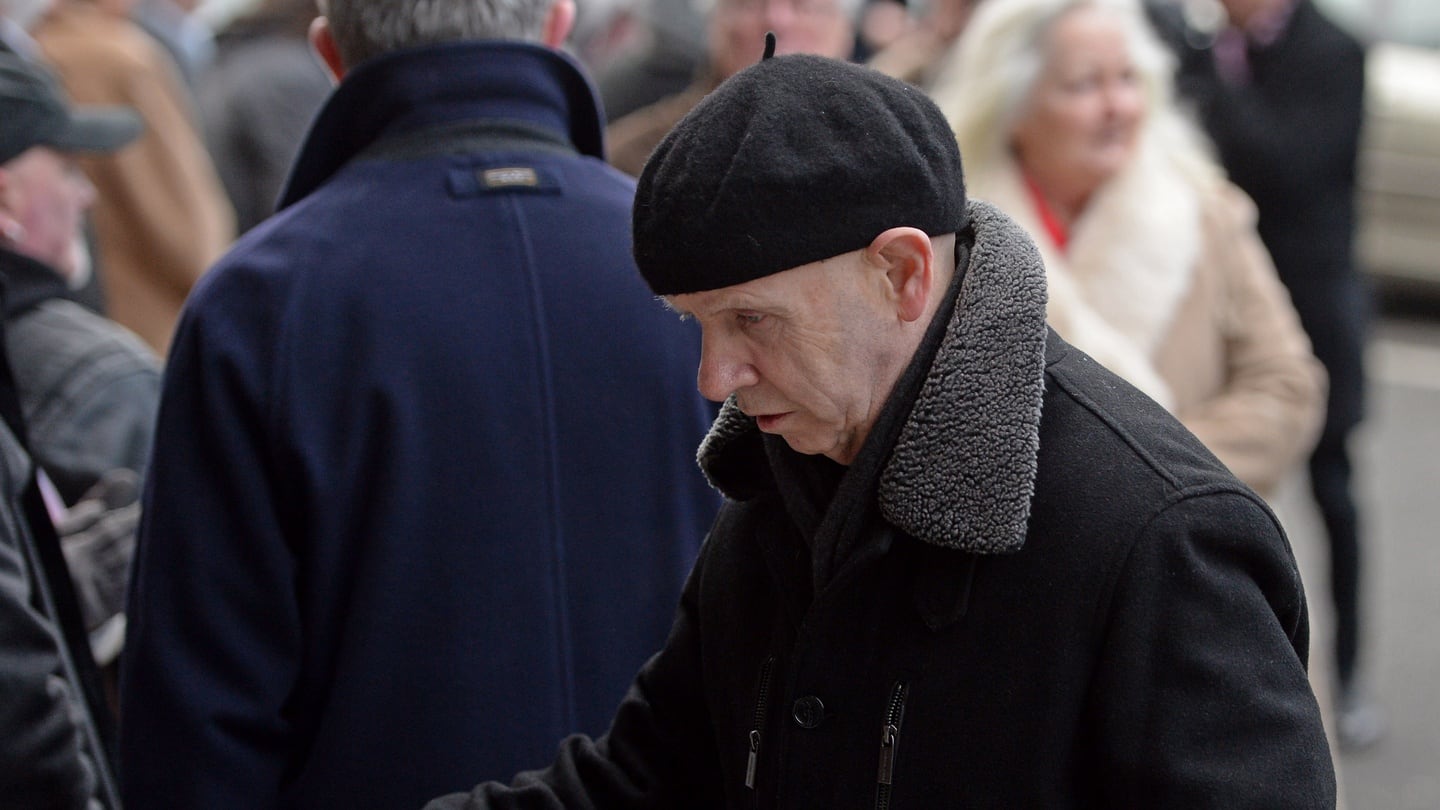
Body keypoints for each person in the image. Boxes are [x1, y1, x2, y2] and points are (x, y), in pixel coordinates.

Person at [427, 51, 1335, 809]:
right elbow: (652, 778)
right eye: (693, 323)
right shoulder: (785, 478)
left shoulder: (1159, 537)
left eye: (751, 320)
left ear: (900, 274)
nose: (715, 378)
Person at [117, 0, 719, 807]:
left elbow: (197, 720)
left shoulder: (259, 306)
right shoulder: (700, 278)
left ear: (330, 53)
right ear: (556, 25)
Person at [929, 0, 1323, 498]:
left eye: (1129, 78)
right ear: (1013, 106)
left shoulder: (1207, 213)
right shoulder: (949, 232)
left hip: (1182, 541)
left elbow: (1285, 387)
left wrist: (1145, 481)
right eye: (1084, 84)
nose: (1117, 106)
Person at [1145, 0, 1379, 752]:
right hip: (1222, 320)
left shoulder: (1334, 51)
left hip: (1315, 313)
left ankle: (1349, 679)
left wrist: (1211, 72)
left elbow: (1290, 163)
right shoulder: (1203, 48)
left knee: (1334, 496)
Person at [0, 49, 136, 810]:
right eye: (67, 166)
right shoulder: (104, 376)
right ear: (5, 195)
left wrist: (71, 569)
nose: (87, 192)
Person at [35, 0, 234, 356]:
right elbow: (185, 224)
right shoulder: (121, 59)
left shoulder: (34, 48)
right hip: (149, 323)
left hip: (70, 326)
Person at [604, 0, 860, 176]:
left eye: (803, 5)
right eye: (750, 3)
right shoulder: (637, 158)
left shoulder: (876, 149)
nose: (776, 20)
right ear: (715, 22)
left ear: (844, 29)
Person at [197, 0, 332, 233]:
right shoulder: (284, 74)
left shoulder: (237, 54)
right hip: (260, 248)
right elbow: (297, 201)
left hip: (237, 248)